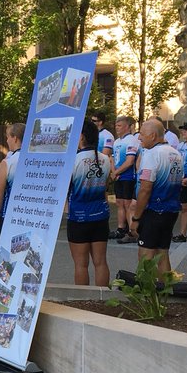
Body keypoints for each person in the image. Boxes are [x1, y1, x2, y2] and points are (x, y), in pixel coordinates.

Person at [133, 120, 184, 274]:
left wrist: (136, 218)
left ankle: (147, 288)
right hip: (171, 210)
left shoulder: (152, 154)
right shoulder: (175, 153)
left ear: (153, 136)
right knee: (162, 254)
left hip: (154, 210)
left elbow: (145, 189)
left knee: (145, 255)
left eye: (142, 134)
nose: (139, 138)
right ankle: (165, 288)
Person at [67, 119, 111, 286]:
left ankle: (83, 299)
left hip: (79, 217)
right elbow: (105, 186)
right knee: (101, 262)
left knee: (81, 264)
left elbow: (66, 188)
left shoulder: (73, 160)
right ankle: (103, 298)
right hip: (100, 215)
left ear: (81, 136)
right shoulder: (105, 159)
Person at [110, 115, 140, 242]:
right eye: (116, 126)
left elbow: (130, 161)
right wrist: (113, 172)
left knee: (128, 204)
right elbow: (112, 158)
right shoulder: (116, 142)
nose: (117, 128)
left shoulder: (132, 140)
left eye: (119, 126)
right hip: (118, 176)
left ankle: (132, 231)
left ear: (127, 127)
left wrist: (116, 172)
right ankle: (120, 228)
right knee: (119, 202)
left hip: (128, 176)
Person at [0, 122, 24, 226]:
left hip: (9, 215)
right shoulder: (36, 161)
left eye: (8, 137)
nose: (7, 140)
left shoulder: (7, 162)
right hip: (29, 215)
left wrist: (0, 212)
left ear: (15, 138)